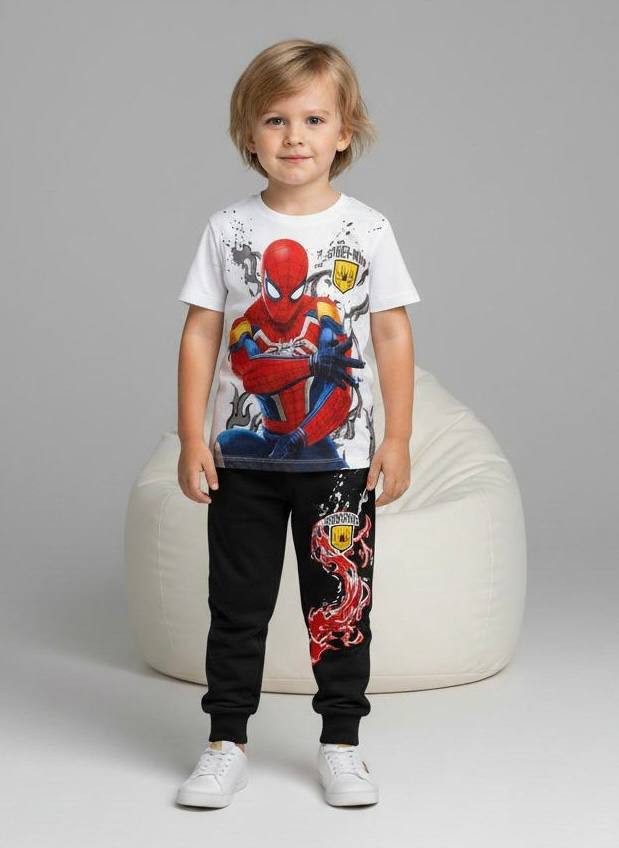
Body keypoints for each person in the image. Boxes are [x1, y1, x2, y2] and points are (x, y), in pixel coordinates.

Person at [174, 38, 420, 809]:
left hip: (339, 463)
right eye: (274, 120)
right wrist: (191, 436)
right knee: (235, 607)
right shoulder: (227, 229)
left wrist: (396, 437)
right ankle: (225, 742)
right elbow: (202, 332)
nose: (294, 137)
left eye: (313, 119)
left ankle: (341, 744)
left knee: (339, 606)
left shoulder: (367, 230)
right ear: (249, 134)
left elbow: (389, 334)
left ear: (344, 132)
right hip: (243, 461)